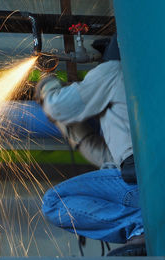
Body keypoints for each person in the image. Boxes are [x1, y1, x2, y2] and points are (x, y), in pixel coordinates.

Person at [34, 35, 145, 256]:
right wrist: (69, 127)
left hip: (140, 186)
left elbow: (57, 106)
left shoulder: (113, 70)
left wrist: (47, 83)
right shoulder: (141, 86)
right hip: (145, 183)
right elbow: (107, 158)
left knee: (55, 202)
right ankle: (142, 225)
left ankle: (142, 224)